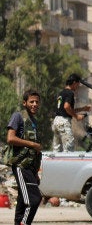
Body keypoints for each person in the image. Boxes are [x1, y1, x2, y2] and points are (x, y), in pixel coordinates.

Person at [6, 90, 43, 225]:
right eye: (31, 101)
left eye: (37, 102)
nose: (34, 104)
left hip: (30, 168)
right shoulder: (18, 116)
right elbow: (10, 138)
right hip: (21, 166)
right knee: (34, 199)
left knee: (22, 201)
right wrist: (32, 144)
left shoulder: (34, 121)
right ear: (24, 103)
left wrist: (36, 172)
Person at [52, 73, 92, 152]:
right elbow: (66, 107)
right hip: (63, 122)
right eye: (78, 84)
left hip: (56, 121)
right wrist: (76, 117)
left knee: (56, 149)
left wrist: (83, 108)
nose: (78, 87)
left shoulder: (62, 93)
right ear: (74, 83)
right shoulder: (70, 93)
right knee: (68, 149)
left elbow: (66, 109)